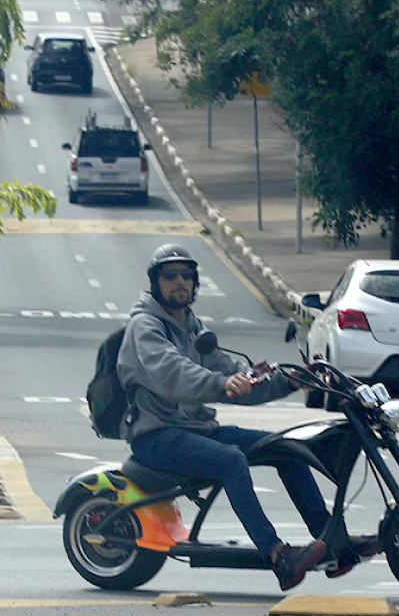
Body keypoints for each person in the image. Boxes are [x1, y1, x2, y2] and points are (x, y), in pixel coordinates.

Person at [117, 244, 371, 590]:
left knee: (285, 447)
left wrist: (288, 380)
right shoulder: (144, 327)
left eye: (186, 275)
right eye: (170, 275)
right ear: (155, 282)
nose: (179, 282)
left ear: (194, 283)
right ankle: (277, 555)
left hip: (196, 430)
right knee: (231, 461)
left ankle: (330, 540)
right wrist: (222, 383)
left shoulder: (193, 327)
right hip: (156, 435)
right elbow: (172, 373)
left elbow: (230, 372)